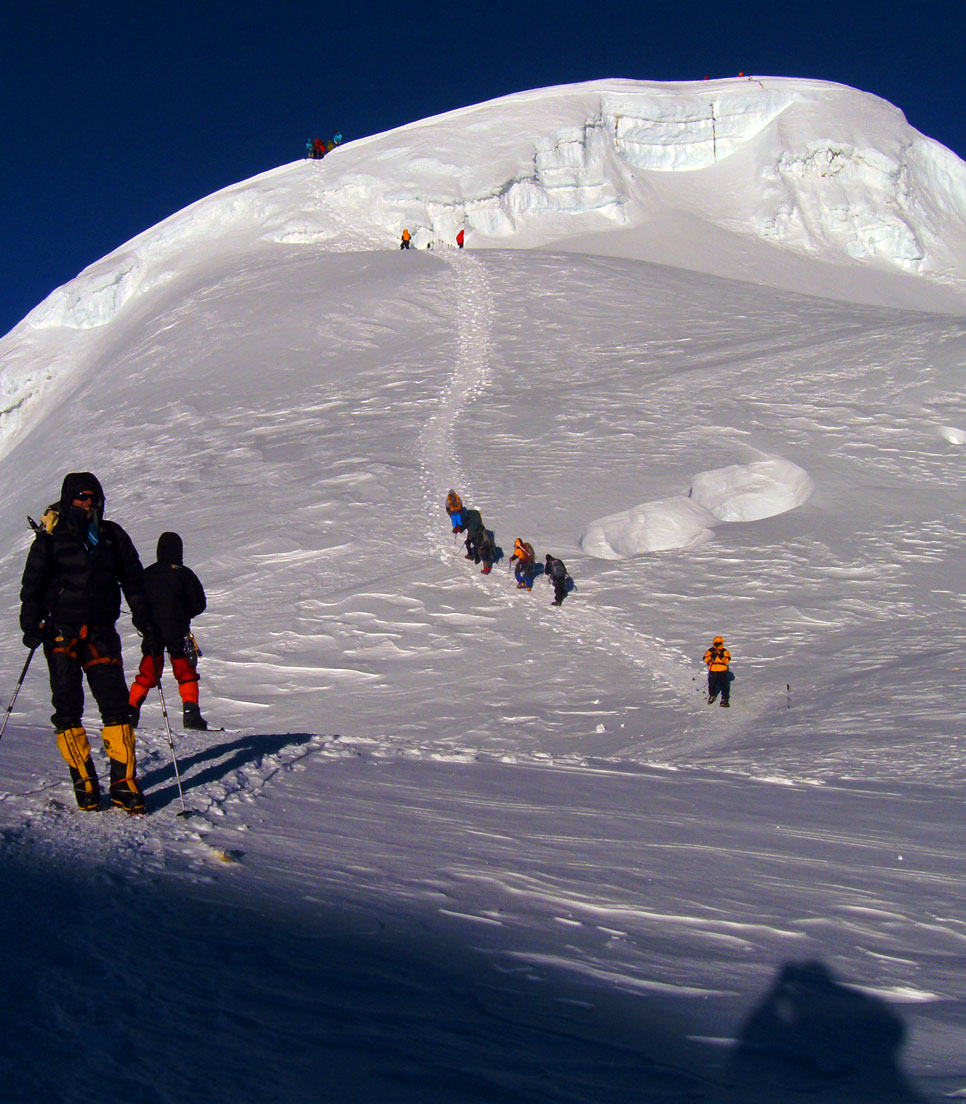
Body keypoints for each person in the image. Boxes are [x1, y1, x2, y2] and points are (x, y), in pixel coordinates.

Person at [19, 473, 155, 814]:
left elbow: (134, 579)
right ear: (68, 499)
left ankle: (123, 784)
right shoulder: (50, 538)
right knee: (67, 706)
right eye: (81, 496)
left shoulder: (112, 535)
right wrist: (30, 624)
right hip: (60, 631)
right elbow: (32, 584)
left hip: (101, 630)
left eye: (94, 497)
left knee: (115, 705)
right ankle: (85, 781)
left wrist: (144, 617)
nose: (88, 502)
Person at [128, 532, 209, 731]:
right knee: (185, 670)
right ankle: (191, 715)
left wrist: (145, 623)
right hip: (177, 628)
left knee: (148, 671)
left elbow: (136, 603)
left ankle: (129, 712)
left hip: (151, 630)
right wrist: (183, 614)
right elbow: (199, 604)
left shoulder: (147, 574)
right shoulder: (184, 573)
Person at [704, 635, 731, 707]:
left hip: (722, 671)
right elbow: (705, 659)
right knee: (712, 684)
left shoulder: (724, 651)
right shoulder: (710, 650)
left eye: (719, 643)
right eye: (716, 643)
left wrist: (721, 656)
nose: (718, 645)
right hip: (713, 670)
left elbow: (727, 660)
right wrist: (710, 656)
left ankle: (724, 699)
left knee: (724, 685)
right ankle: (712, 695)